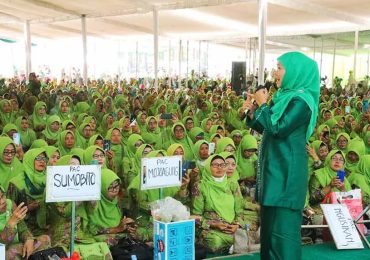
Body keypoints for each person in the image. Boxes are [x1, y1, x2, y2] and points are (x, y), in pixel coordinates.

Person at [243, 52, 319, 259]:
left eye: (280, 67)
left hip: (286, 175)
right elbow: (266, 127)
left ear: (296, 71)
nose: (275, 72)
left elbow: (278, 128)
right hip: (274, 172)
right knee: (268, 237)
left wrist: (264, 104)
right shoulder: (283, 96)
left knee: (282, 237)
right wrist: (253, 111)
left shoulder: (302, 101)